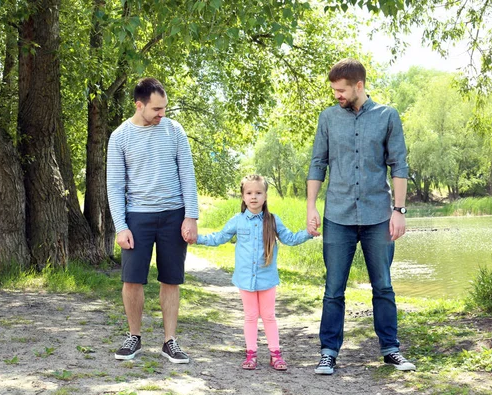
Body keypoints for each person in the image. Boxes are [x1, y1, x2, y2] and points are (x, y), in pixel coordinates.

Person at [306, 58, 416, 374]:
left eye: (341, 90)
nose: (336, 95)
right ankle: (328, 352)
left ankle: (391, 350)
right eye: (334, 90)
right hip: (337, 215)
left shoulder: (387, 116)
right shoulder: (327, 118)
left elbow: (400, 166)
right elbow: (317, 164)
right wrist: (312, 207)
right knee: (333, 288)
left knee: (382, 285)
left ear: (359, 85)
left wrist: (399, 211)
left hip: (378, 216)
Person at [107, 77, 198, 364]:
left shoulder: (174, 130)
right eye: (157, 109)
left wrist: (191, 216)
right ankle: (134, 337)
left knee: (171, 280)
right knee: (132, 281)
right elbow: (114, 185)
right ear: (139, 105)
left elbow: (187, 174)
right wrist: (120, 226)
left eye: (165, 108)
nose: (163, 114)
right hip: (137, 218)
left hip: (173, 215)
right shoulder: (120, 136)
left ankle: (170, 341)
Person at [196, 174, 316, 370]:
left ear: (265, 196)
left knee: (269, 315)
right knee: (250, 316)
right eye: (249, 193)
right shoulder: (237, 220)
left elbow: (290, 239)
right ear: (243, 197)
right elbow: (218, 238)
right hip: (245, 279)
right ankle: (250, 354)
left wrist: (308, 233)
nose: (254, 197)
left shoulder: (273, 221)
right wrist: (196, 238)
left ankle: (275, 355)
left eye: (258, 193)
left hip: (267, 278)